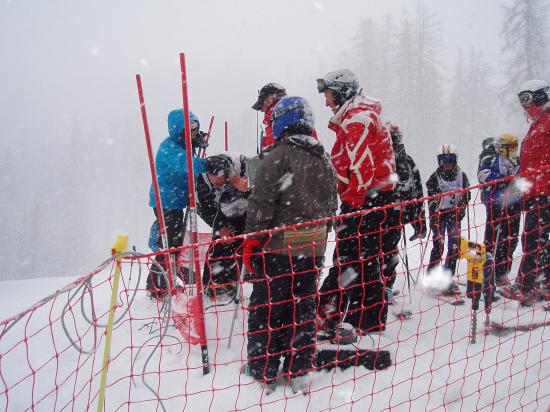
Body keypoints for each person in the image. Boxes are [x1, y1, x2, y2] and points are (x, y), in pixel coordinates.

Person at [242, 96, 337, 393]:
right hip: (312, 249)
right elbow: (331, 204)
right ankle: (298, 366)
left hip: (279, 250)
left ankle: (263, 368)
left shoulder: (279, 156)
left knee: (268, 309)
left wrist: (252, 241)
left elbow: (261, 202)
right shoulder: (323, 159)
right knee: (302, 309)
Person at [316, 69, 396, 338]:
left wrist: (351, 205)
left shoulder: (357, 119)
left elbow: (362, 168)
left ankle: (365, 321)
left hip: (366, 201)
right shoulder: (356, 115)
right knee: (355, 259)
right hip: (367, 199)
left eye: (328, 94)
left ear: (340, 92)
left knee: (360, 259)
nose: (327, 102)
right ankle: (339, 312)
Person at [499, 79, 550, 305]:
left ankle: (529, 285)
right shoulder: (537, 124)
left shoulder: (547, 123)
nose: (526, 111)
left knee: (535, 239)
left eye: (528, 105)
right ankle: (539, 283)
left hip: (544, 190)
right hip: (534, 191)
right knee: (535, 239)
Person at [147, 109, 206, 298]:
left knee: (175, 242)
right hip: (165, 201)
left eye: (196, 130)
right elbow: (186, 164)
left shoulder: (182, 145)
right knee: (169, 243)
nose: (194, 134)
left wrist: (196, 143)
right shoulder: (169, 147)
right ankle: (158, 286)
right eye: (189, 130)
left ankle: (164, 280)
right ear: (178, 130)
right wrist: (209, 164)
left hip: (175, 201)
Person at [196, 154, 250, 298]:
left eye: (224, 180)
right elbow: (206, 209)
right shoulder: (202, 182)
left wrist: (247, 186)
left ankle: (231, 282)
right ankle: (212, 285)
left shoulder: (243, 167)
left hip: (244, 211)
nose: (221, 184)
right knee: (219, 244)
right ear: (209, 175)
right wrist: (221, 227)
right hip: (219, 213)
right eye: (217, 182)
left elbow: (260, 191)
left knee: (241, 244)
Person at [384, 122, 427, 299]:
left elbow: (416, 192)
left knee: (389, 251)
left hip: (395, 214)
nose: (396, 140)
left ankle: (385, 286)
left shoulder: (406, 161)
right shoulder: (385, 159)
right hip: (386, 214)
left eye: (397, 137)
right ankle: (381, 286)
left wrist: (419, 220)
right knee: (385, 252)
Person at [426, 144, 471, 295]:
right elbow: (431, 200)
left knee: (453, 246)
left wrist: (463, 205)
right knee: (438, 246)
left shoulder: (461, 175)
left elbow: (467, 194)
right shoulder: (434, 177)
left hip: (454, 215)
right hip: (439, 216)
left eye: (450, 159)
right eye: (443, 160)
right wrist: (433, 216)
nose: (447, 163)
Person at [477, 133, 521, 286]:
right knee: (493, 238)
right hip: (496, 203)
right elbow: (482, 175)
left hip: (514, 203)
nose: (515, 149)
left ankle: (502, 273)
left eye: (516, 146)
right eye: (512, 146)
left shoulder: (516, 159)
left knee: (511, 239)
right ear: (503, 148)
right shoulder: (491, 158)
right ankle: (488, 272)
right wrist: (502, 178)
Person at [251, 83, 287, 151]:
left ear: (271, 98)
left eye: (261, 105)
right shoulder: (297, 115)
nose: (261, 110)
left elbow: (272, 154)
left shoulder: (277, 121)